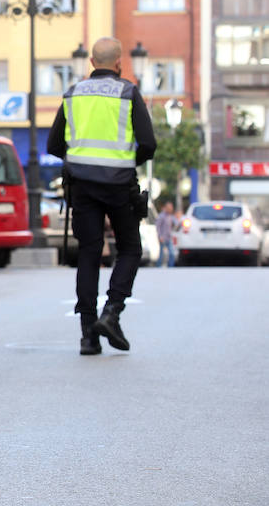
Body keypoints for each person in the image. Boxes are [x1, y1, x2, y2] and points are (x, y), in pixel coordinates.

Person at [46, 37, 156, 356]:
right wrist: (126, 161)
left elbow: (53, 145)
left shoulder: (73, 93)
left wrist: (79, 159)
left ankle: (88, 337)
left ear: (91, 63)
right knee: (130, 248)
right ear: (119, 63)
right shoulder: (128, 92)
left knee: (89, 253)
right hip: (120, 183)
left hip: (82, 184)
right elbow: (148, 144)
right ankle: (112, 312)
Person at [155, 201, 178, 267]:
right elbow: (158, 227)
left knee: (171, 253)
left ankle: (170, 267)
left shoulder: (170, 216)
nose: (171, 209)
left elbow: (176, 223)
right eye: (169, 208)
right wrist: (160, 236)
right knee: (161, 255)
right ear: (166, 208)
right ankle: (158, 266)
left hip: (169, 237)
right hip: (162, 237)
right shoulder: (161, 216)